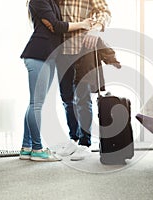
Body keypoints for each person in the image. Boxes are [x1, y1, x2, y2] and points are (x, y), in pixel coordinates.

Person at [19, 0, 92, 162]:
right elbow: (56, 26)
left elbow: (56, 26)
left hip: (48, 56)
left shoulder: (51, 1)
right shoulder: (38, 1)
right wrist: (83, 24)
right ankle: (37, 149)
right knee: (36, 105)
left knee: (34, 103)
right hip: (38, 55)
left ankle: (26, 147)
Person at [56, 0, 111, 161]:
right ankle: (73, 139)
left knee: (82, 97)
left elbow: (105, 12)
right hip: (61, 51)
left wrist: (96, 29)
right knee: (66, 98)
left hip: (83, 50)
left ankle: (85, 143)